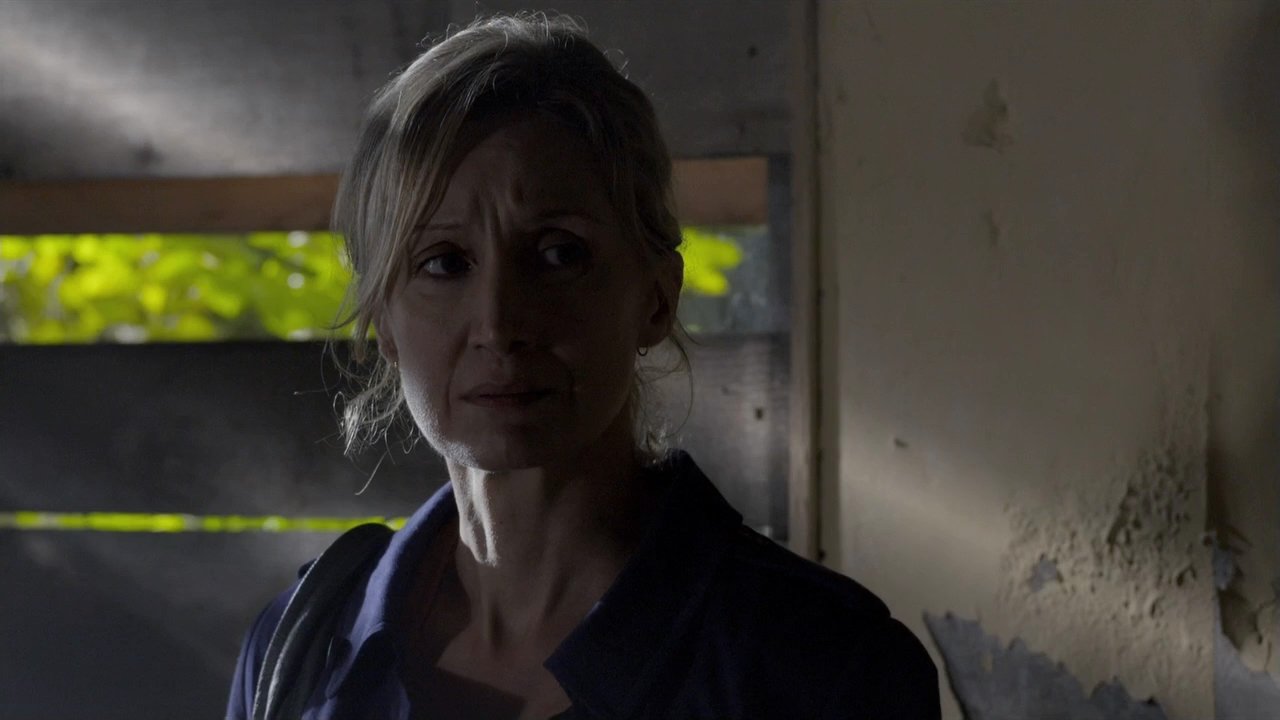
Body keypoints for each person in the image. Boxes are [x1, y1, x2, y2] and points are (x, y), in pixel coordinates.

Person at [227, 11, 939, 720]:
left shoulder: (823, 668)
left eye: (558, 253)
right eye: (443, 263)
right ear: (384, 319)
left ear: (656, 297)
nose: (500, 325)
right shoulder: (300, 653)